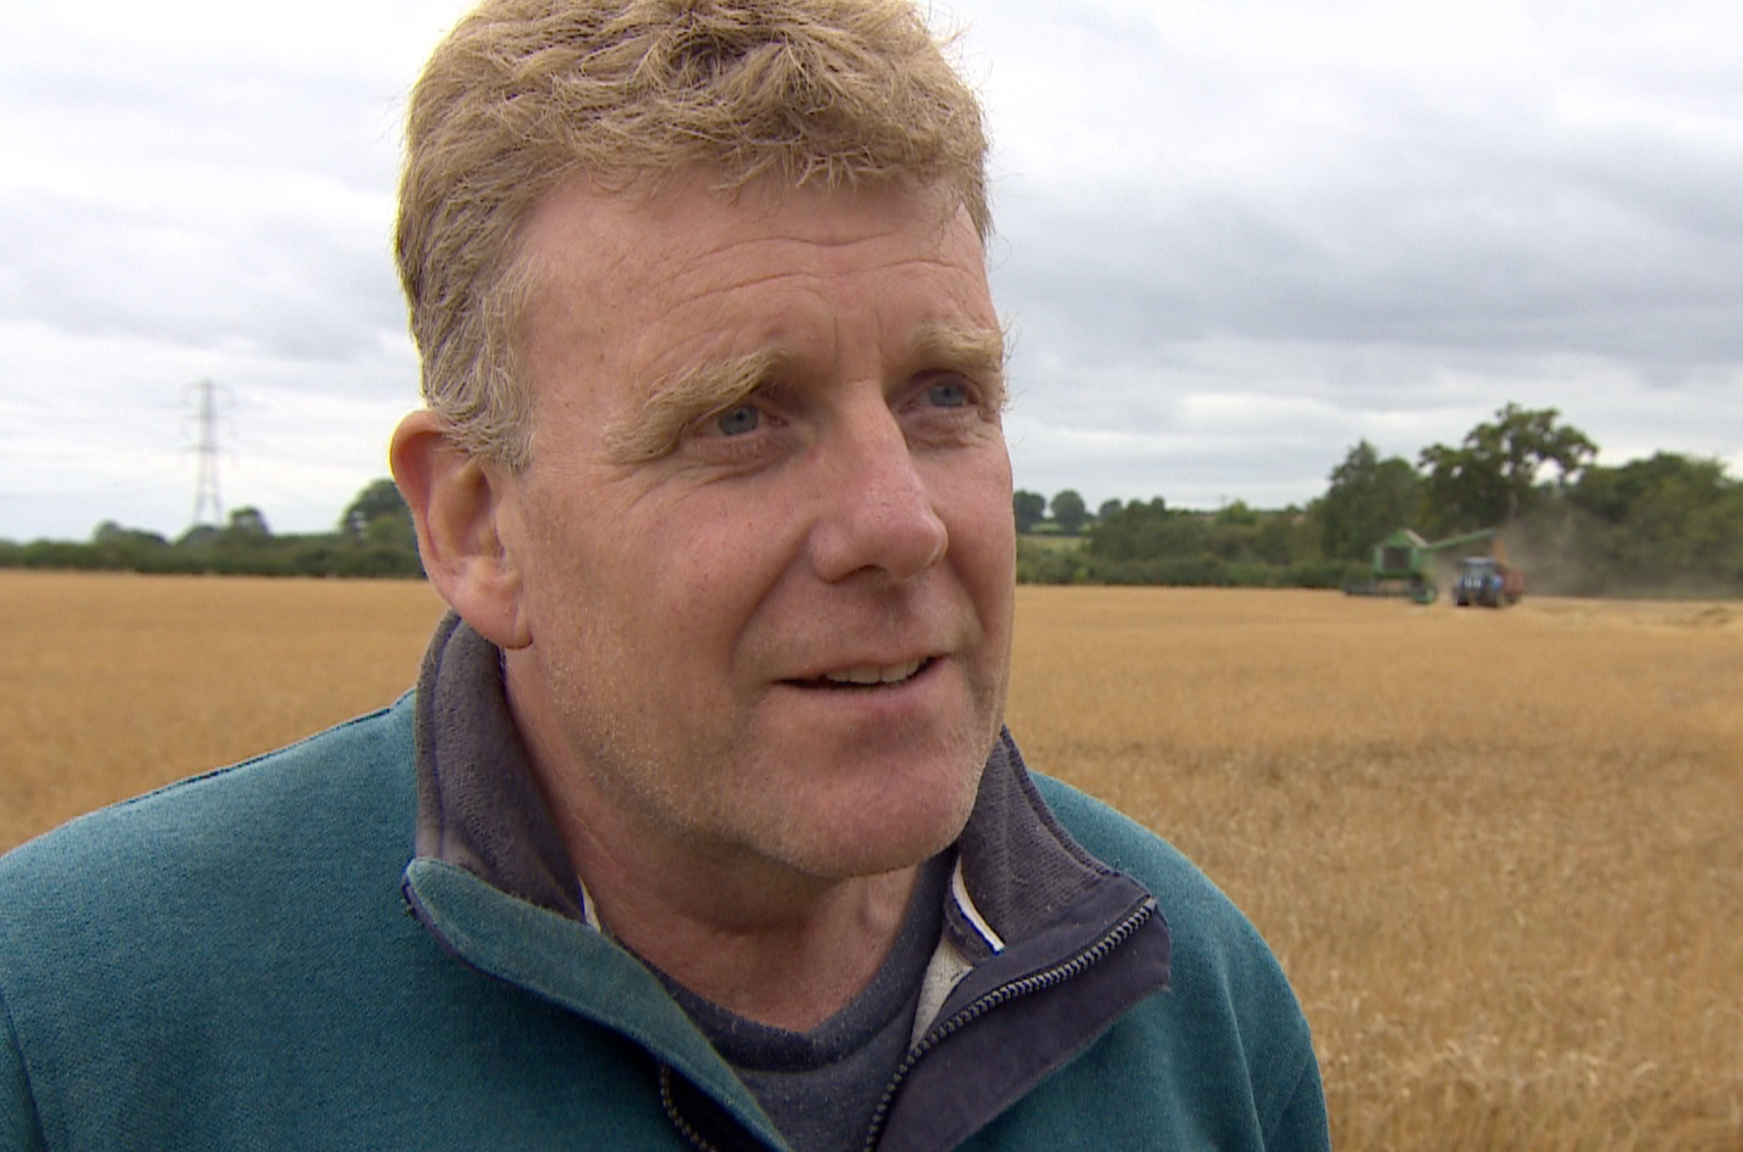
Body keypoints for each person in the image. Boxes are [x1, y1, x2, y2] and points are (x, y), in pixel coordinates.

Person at [0, 1, 1328, 1147]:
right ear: (479, 527)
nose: (903, 523)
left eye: (944, 394)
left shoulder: (1188, 997)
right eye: (742, 416)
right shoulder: (67, 1028)